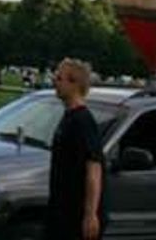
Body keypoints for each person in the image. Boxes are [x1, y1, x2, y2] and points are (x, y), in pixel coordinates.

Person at [48, 58, 105, 240]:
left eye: (59, 78)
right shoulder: (68, 117)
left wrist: (90, 214)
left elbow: (94, 169)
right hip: (60, 210)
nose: (54, 81)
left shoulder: (83, 121)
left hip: (76, 214)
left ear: (74, 84)